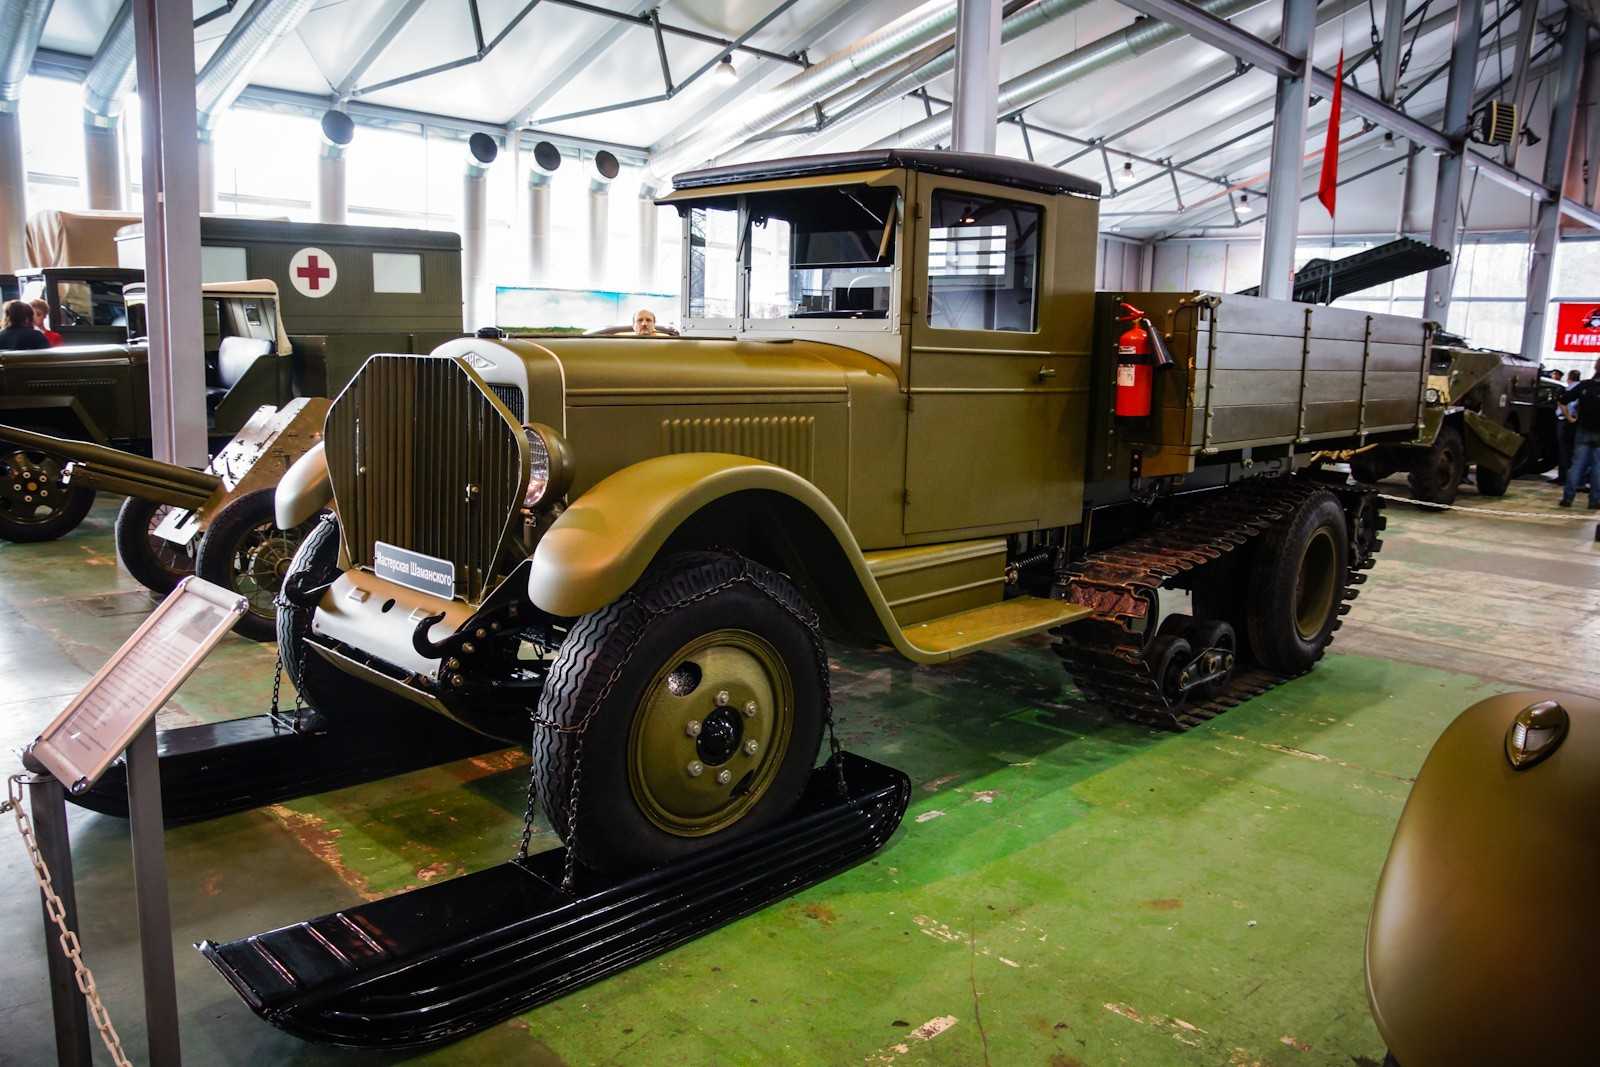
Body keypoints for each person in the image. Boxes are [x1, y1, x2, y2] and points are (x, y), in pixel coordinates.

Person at [1559, 357, 1600, 510]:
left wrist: (1570, 418)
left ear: (1596, 367)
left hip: (1583, 430)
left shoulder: (1585, 385)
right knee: (1598, 468)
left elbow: (1562, 400)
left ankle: (1567, 499)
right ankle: (1595, 501)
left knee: (1576, 466)